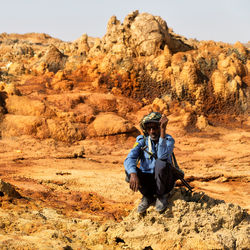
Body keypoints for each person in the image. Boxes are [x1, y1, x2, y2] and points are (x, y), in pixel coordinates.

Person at [124, 111, 176, 213]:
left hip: (164, 182)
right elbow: (129, 158)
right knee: (129, 171)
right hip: (148, 182)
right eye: (149, 128)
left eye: (155, 127)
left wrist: (162, 132)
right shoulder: (142, 140)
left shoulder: (168, 140)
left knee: (161, 163)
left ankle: (161, 196)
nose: (152, 131)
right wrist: (133, 174)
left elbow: (162, 156)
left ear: (160, 127)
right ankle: (148, 197)